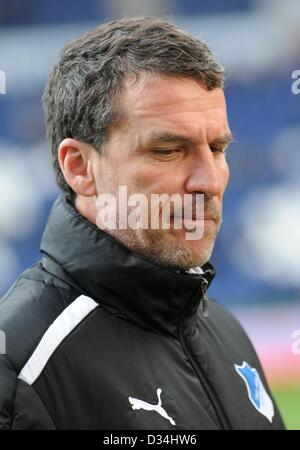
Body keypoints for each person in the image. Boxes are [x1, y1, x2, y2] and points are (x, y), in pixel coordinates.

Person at [0, 17, 285, 430]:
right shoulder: (20, 368)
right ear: (80, 167)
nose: (209, 181)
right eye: (168, 150)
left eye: (218, 148)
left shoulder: (223, 329)